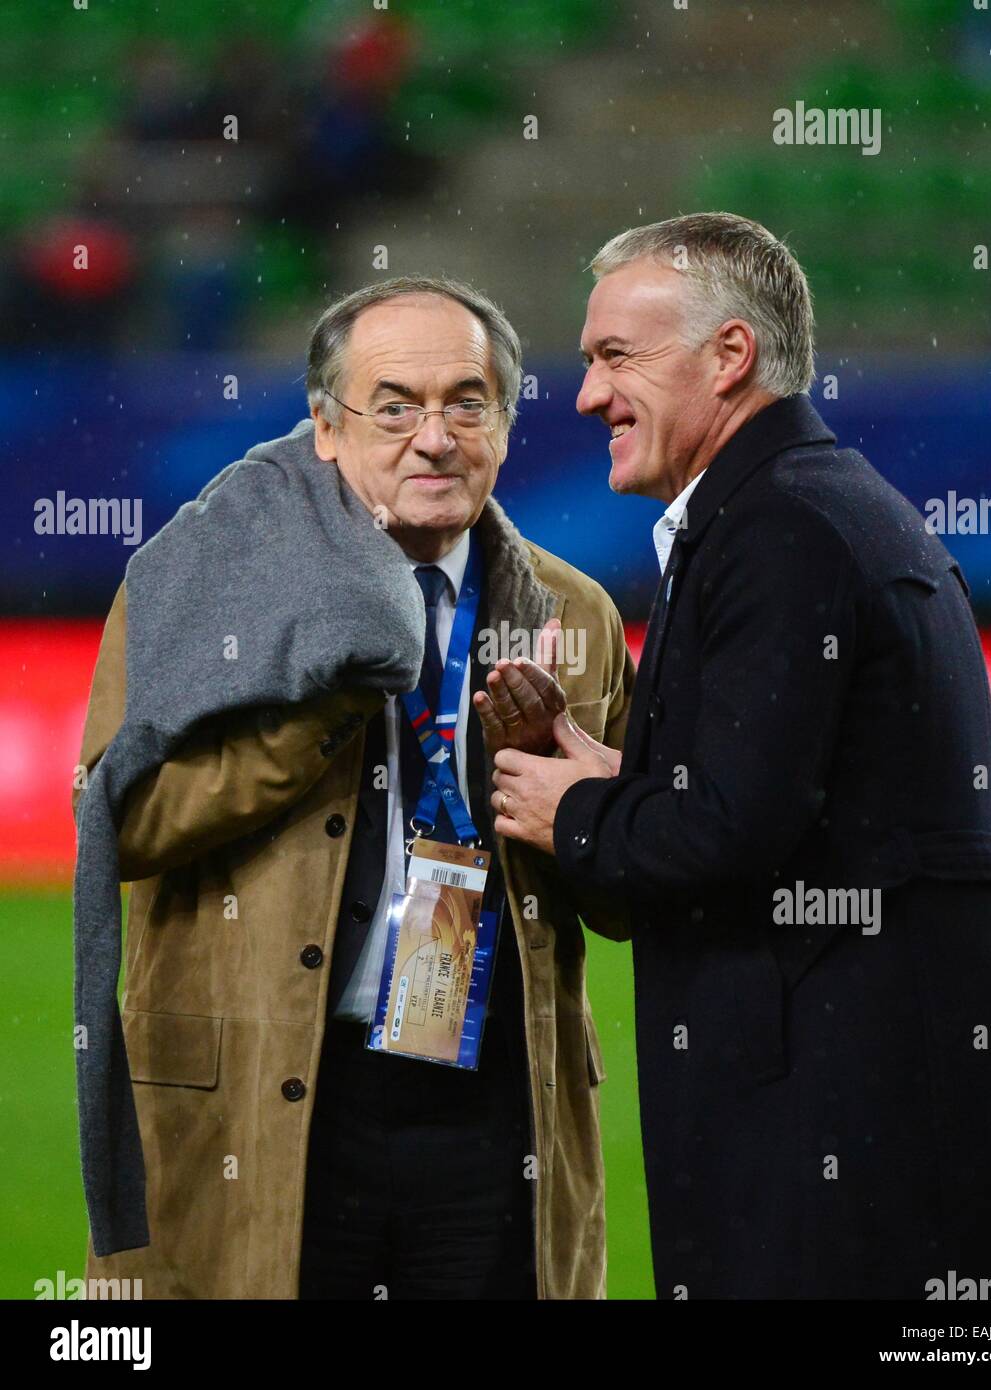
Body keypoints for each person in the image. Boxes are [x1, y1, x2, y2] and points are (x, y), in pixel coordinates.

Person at [489, 214, 991, 1298]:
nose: (584, 396)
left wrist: (570, 811)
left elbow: (725, 835)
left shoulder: (778, 529)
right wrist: (618, 783)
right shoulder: (806, 504)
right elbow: (792, 804)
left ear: (729, 355)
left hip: (854, 1114)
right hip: (901, 1085)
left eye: (615, 357)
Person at [74, 275, 633, 1300]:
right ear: (325, 431)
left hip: (493, 1117)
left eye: (466, 401)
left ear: (505, 425)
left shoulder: (573, 614)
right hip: (270, 1109)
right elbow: (120, 824)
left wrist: (586, 813)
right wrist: (318, 711)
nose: (433, 436)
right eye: (393, 405)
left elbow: (628, 894)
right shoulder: (200, 591)